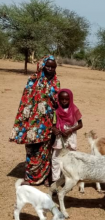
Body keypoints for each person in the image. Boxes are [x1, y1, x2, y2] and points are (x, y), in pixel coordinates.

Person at [9, 56, 60, 186]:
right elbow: (25, 102)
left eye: (53, 66)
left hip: (47, 123)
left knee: (46, 150)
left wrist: (57, 123)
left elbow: (57, 104)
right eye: (48, 66)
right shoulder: (32, 80)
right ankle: (30, 178)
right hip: (32, 123)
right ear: (42, 66)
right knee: (32, 149)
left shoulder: (56, 82)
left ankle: (46, 176)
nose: (50, 68)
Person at [51, 89, 83, 183]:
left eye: (67, 99)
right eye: (62, 99)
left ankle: (69, 180)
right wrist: (55, 130)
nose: (64, 101)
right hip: (59, 138)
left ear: (71, 99)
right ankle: (55, 180)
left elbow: (80, 124)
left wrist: (70, 130)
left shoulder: (75, 110)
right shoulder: (56, 111)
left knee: (70, 158)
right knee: (56, 158)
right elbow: (53, 125)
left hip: (70, 137)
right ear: (59, 99)